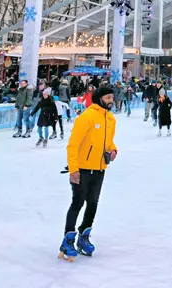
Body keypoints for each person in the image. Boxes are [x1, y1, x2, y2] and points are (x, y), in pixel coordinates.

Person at [60, 85, 118, 261]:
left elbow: (109, 143)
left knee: (92, 204)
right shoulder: (87, 117)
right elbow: (73, 145)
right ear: (100, 98)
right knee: (77, 203)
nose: (111, 101)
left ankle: (84, 236)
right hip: (82, 169)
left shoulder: (111, 119)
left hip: (99, 168)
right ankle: (68, 240)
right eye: (108, 98)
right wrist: (74, 169)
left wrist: (113, 150)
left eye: (112, 98)